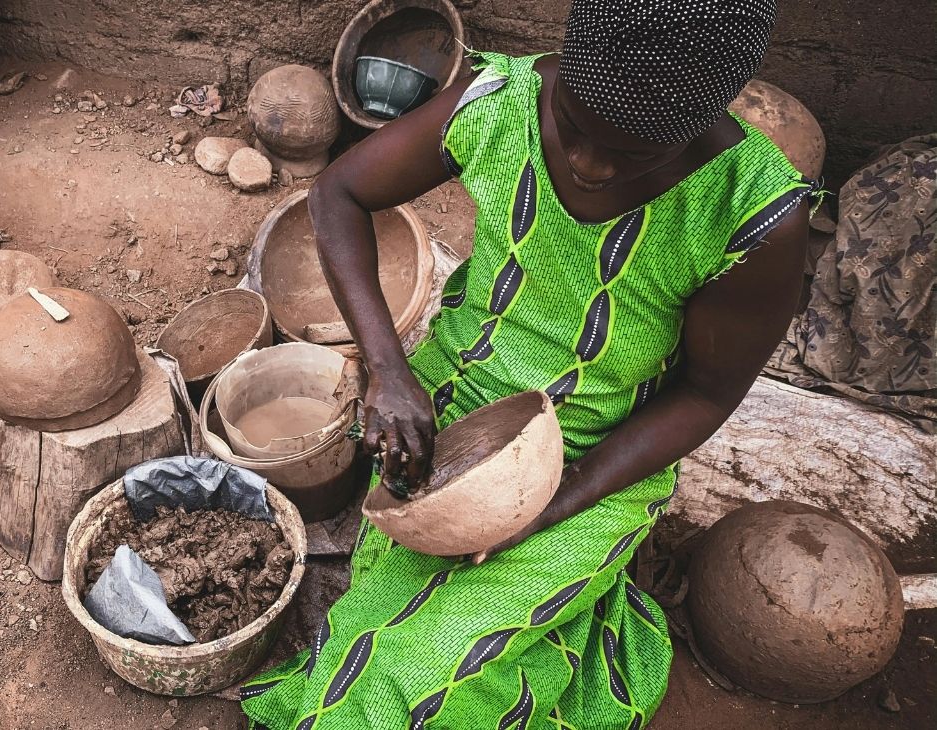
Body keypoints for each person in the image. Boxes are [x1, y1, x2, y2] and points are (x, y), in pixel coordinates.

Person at [241, 1, 820, 728]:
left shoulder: (751, 215)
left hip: (603, 459)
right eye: (572, 126)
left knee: (421, 672)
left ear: (696, 123)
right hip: (453, 410)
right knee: (385, 629)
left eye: (633, 154)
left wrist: (555, 503)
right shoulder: (504, 100)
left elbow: (703, 397)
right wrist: (388, 369)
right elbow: (339, 193)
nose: (586, 164)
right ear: (564, 73)